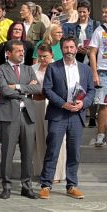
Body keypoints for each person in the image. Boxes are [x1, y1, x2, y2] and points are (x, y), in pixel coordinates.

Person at [39, 37, 95, 199]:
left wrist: (82, 103)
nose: (69, 50)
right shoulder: (53, 67)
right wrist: (63, 104)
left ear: (76, 49)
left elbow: (91, 90)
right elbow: (47, 90)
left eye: (71, 47)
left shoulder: (85, 69)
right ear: (61, 49)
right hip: (59, 114)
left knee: (74, 152)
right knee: (52, 149)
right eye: (66, 47)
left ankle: (72, 185)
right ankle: (46, 184)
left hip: (77, 114)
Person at [0, 39, 40, 199]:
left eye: (23, 51)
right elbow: (4, 90)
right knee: (7, 152)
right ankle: (6, 186)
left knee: (27, 152)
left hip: (27, 115)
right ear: (9, 53)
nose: (22, 53)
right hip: (9, 115)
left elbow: (38, 87)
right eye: (18, 51)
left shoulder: (29, 69)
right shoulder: (0, 70)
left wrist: (17, 86)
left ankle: (26, 186)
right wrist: (25, 89)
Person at [32, 44, 67, 183]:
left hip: (53, 106)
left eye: (45, 56)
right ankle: (42, 171)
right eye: (40, 56)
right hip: (36, 106)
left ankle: (57, 174)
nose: (42, 59)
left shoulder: (59, 68)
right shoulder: (33, 68)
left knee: (55, 139)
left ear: (52, 55)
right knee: (39, 138)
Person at [88, 3, 107, 148]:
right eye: (103, 12)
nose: (104, 15)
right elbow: (92, 53)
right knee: (103, 104)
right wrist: (94, 73)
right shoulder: (99, 30)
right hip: (104, 71)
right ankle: (101, 135)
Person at [63, 0, 99, 64]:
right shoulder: (72, 27)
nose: (81, 14)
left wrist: (88, 51)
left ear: (89, 11)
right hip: (77, 58)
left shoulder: (96, 25)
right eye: (79, 12)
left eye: (84, 12)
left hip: (92, 59)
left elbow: (100, 44)